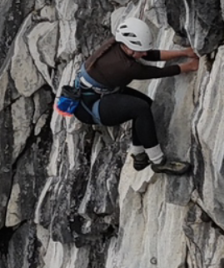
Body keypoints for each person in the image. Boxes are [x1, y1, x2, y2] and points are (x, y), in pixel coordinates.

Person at [71, 15, 199, 175]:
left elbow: (149, 54)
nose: (144, 53)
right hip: (90, 108)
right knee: (140, 109)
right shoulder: (124, 66)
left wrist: (185, 52)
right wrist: (189, 66)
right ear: (129, 48)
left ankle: (139, 155)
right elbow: (158, 72)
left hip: (95, 93)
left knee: (145, 103)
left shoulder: (119, 45)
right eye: (141, 51)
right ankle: (158, 162)